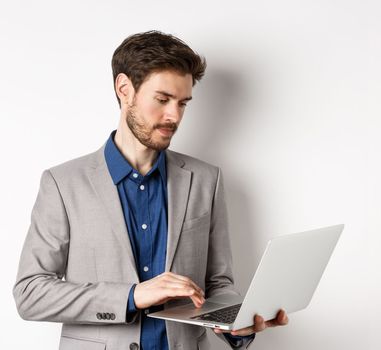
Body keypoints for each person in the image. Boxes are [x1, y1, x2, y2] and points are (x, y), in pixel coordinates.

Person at [13, 30, 288, 350]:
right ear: (125, 89)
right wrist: (132, 296)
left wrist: (234, 321)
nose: (174, 115)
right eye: (162, 99)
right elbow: (30, 294)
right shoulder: (63, 183)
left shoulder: (205, 179)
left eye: (183, 103)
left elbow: (218, 283)